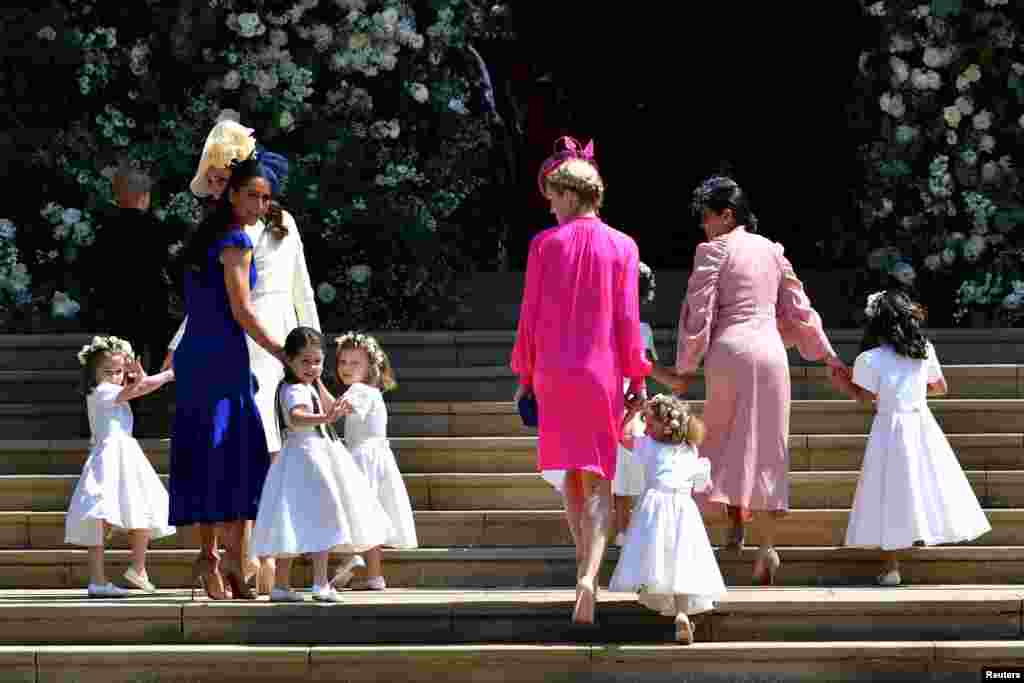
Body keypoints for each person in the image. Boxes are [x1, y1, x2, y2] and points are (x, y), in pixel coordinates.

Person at [654, 176, 845, 586]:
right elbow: (800, 308)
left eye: (706, 218)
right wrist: (827, 354)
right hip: (772, 353)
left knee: (719, 441)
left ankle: (723, 531)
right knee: (769, 445)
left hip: (730, 352)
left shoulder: (713, 251)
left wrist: (685, 367)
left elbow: (698, 314)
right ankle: (766, 547)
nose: (703, 226)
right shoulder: (773, 250)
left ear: (726, 216)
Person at [164, 119, 321, 595]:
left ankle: (218, 560)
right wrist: (280, 350)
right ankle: (225, 561)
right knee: (228, 455)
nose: (260, 205)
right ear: (232, 194)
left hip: (204, 355)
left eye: (264, 197)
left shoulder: (205, 235)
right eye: (251, 195)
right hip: (224, 354)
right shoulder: (234, 240)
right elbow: (241, 308)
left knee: (211, 453)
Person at [511, 136, 651, 625]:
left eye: (553, 195)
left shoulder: (543, 245)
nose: (549, 204)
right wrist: (637, 376)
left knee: (571, 475)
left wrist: (525, 375)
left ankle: (581, 569)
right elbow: (628, 321)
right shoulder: (624, 246)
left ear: (571, 195)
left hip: (554, 373)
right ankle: (591, 575)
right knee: (599, 481)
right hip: (601, 375)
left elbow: (528, 318)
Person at [829, 290, 991, 585]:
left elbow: (865, 397)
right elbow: (940, 387)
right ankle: (920, 533)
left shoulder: (869, 359)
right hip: (921, 422)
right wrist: (911, 390)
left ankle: (891, 566)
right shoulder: (924, 349)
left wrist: (843, 382)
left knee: (887, 489)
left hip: (889, 426)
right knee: (923, 481)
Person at [250, 327, 392, 602]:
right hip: (308, 457)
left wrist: (318, 384)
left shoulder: (306, 385)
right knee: (322, 516)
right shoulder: (292, 389)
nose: (312, 367)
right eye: (305, 361)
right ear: (289, 360)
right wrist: (325, 418)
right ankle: (319, 583)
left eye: (317, 361)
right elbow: (298, 416)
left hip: (311, 457)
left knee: (298, 519)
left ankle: (284, 586)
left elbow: (333, 406)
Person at [609, 394, 726, 644]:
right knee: (682, 560)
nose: (646, 428)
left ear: (666, 424)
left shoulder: (647, 445)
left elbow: (621, 436)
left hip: (654, 507)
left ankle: (675, 609)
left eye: (650, 424)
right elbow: (701, 484)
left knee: (659, 558)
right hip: (683, 508)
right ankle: (682, 613)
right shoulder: (690, 449)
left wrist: (630, 414)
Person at [67, 336, 175, 597]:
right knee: (101, 517)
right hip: (110, 459)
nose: (115, 376)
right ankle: (98, 579)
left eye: (119, 371)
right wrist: (167, 375)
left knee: (142, 509)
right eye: (108, 371)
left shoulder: (114, 391)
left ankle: (138, 569)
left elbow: (136, 387)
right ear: (93, 372)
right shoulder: (102, 391)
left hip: (127, 455)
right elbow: (138, 389)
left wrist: (138, 377)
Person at [329, 332, 418, 592]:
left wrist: (313, 390)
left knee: (357, 514)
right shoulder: (371, 391)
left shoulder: (359, 391)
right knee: (369, 516)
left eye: (354, 363)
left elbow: (336, 411)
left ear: (370, 366)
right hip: (376, 457)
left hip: (362, 460)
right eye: (343, 362)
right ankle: (372, 575)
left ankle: (351, 561)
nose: (346, 368)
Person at [613, 262, 659, 546]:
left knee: (621, 464)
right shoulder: (641, 328)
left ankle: (621, 528)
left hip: (619, 396)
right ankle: (627, 529)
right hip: (631, 397)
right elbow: (646, 366)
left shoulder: (610, 323)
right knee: (631, 463)